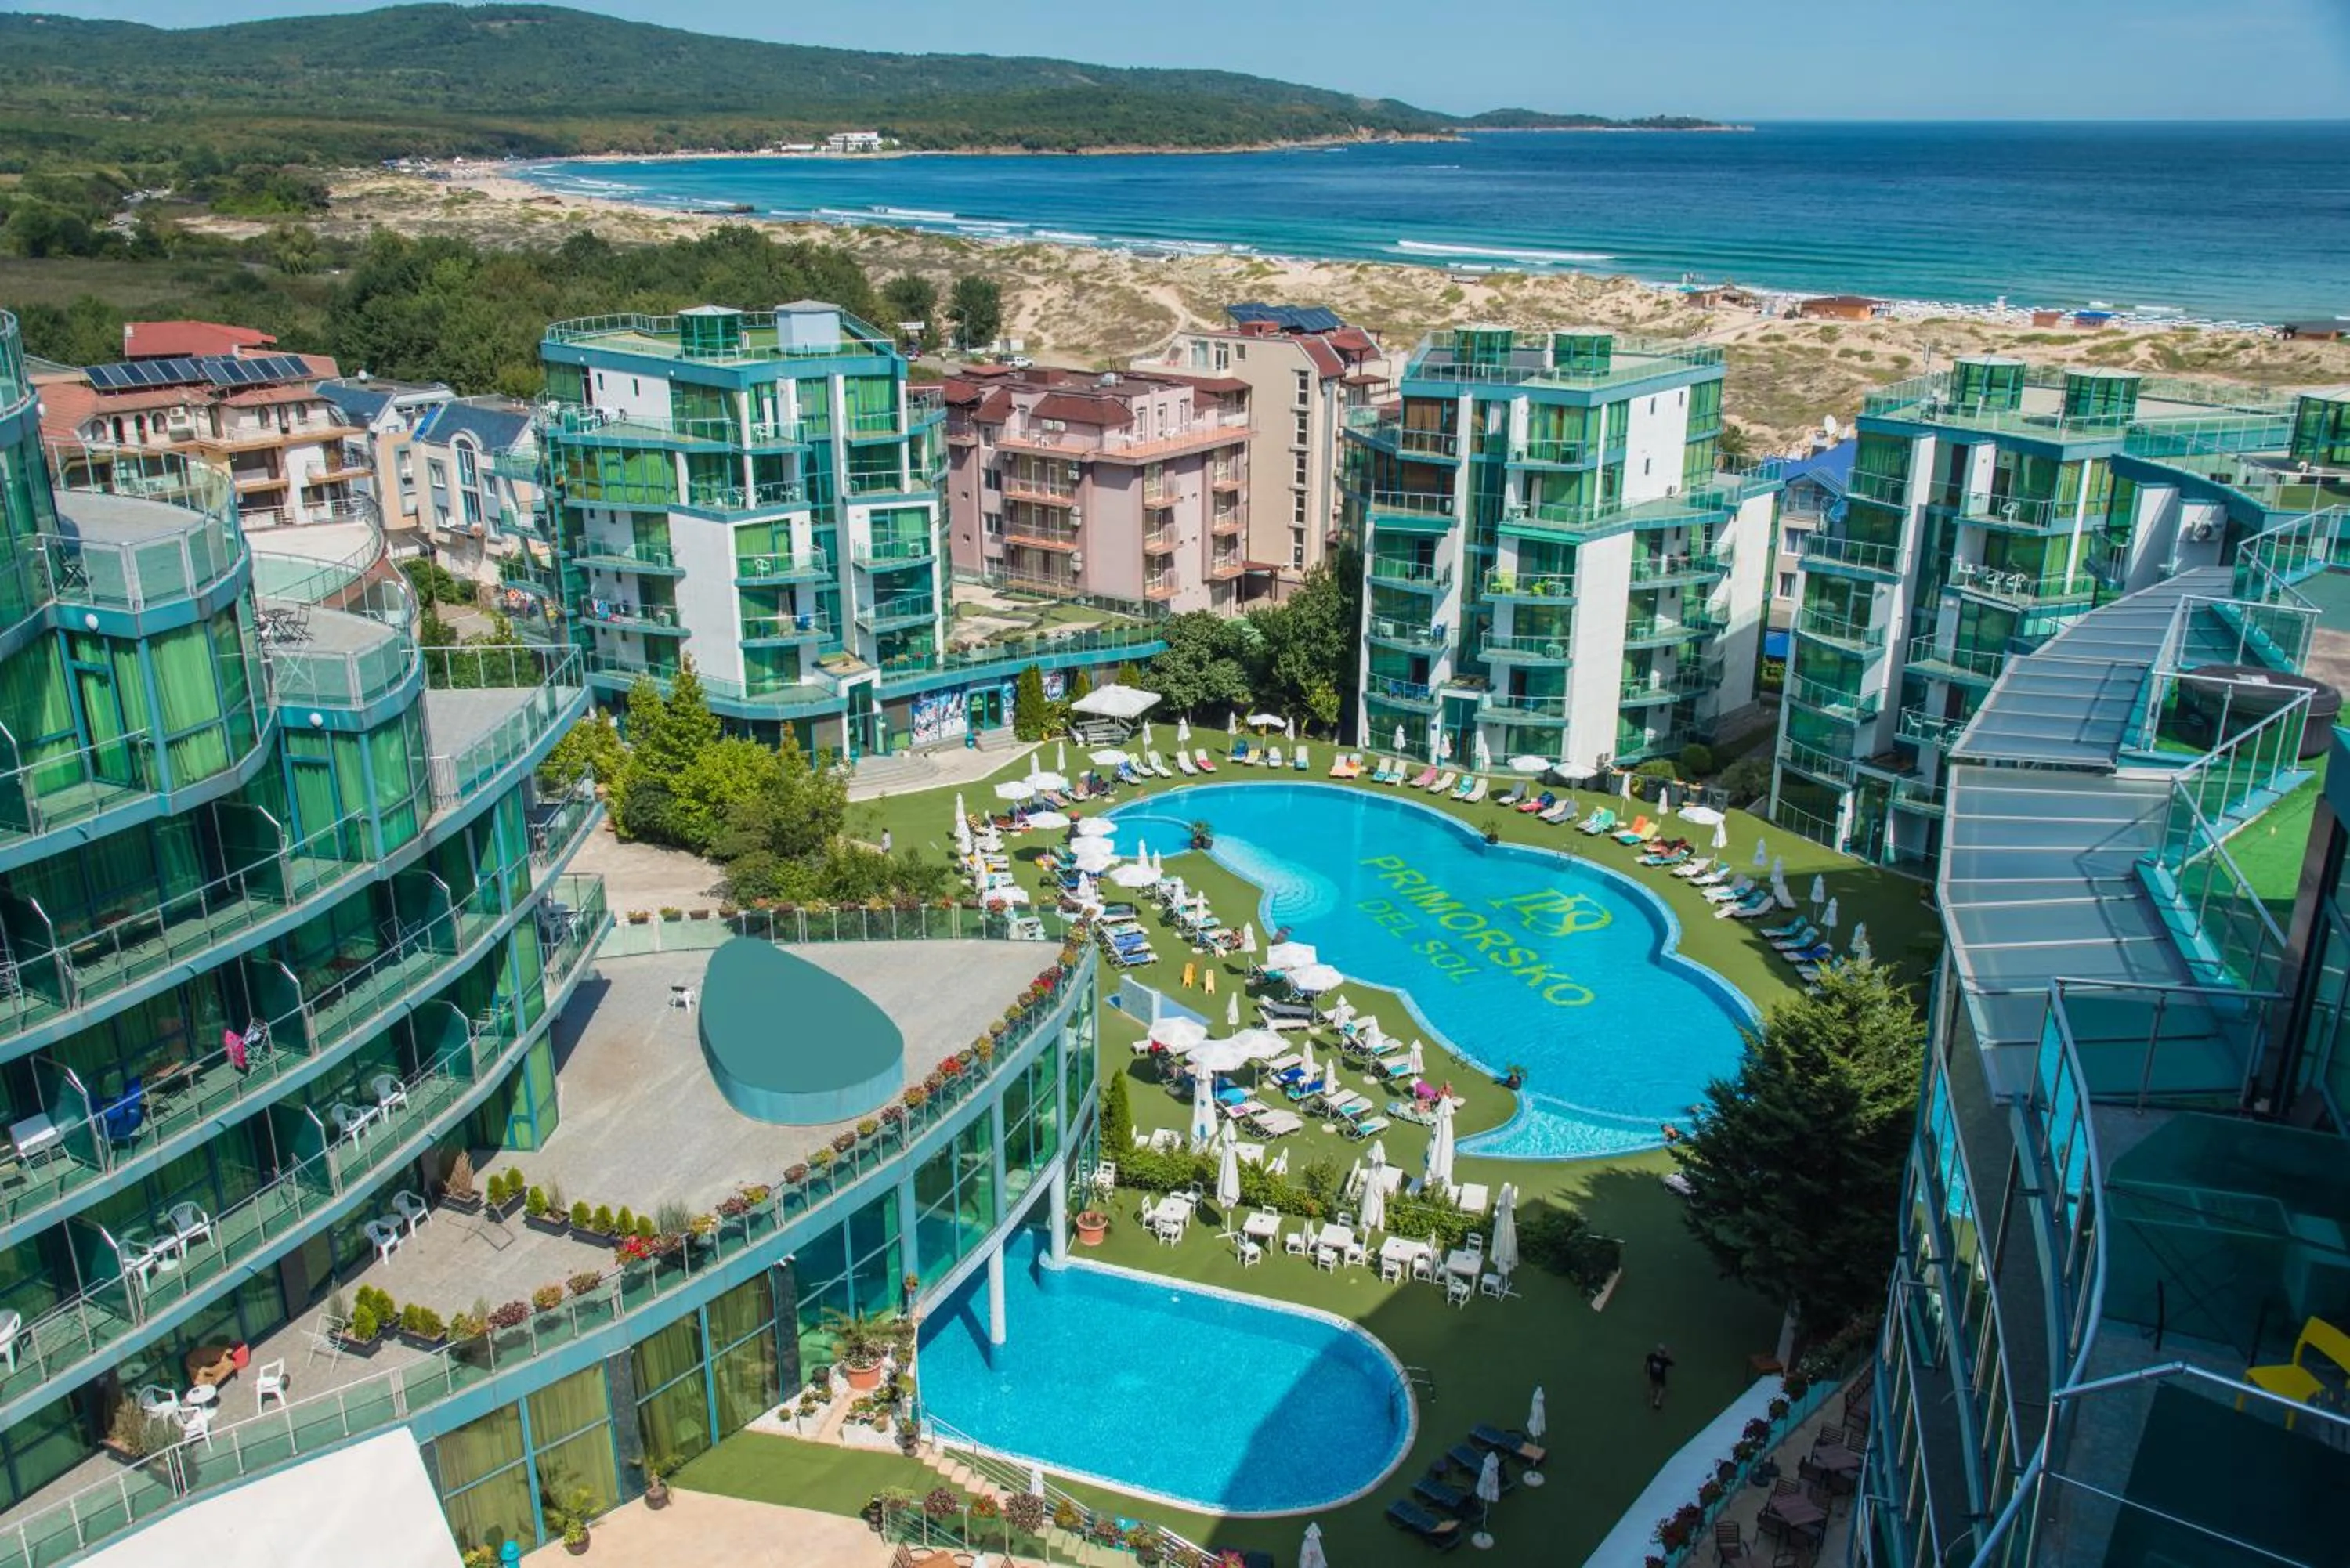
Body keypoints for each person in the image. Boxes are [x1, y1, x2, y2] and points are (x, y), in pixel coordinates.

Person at [1646, 1344, 1676, 1410]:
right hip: (1661, 1377)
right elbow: (1673, 1363)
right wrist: (1669, 1356)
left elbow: (1647, 1361)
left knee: (1652, 1387)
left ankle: (1651, 1402)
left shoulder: (1652, 1356)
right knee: (1662, 1387)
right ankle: (1657, 1401)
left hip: (1652, 1375)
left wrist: (1646, 1370)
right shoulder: (1665, 1360)